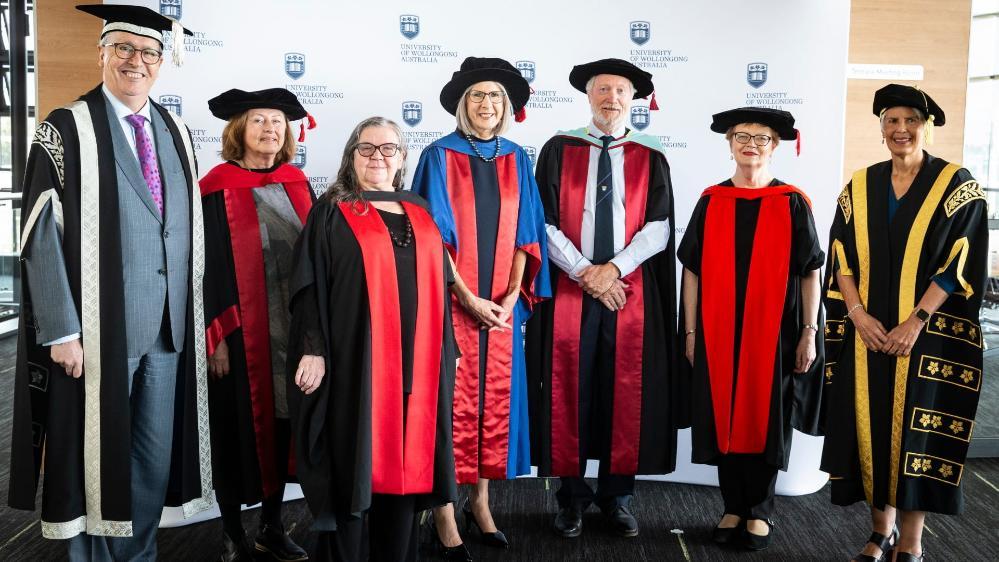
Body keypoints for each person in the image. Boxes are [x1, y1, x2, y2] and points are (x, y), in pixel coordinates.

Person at [7, 5, 212, 561]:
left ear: (161, 63)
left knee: (149, 459)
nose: (135, 61)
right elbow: (39, 235)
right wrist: (60, 329)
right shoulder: (65, 127)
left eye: (148, 52)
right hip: (98, 328)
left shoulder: (174, 129)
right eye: (122, 48)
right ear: (101, 53)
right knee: (92, 456)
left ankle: (137, 555)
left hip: (167, 327)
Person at [821, 84, 987, 562]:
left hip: (926, 337)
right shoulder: (859, 184)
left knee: (916, 433)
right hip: (867, 334)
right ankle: (880, 531)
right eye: (892, 121)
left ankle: (911, 542)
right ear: (880, 128)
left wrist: (915, 322)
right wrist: (856, 315)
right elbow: (840, 257)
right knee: (870, 426)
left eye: (911, 120)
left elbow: (960, 264)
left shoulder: (959, 185)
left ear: (927, 125)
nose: (901, 129)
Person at [287, 117, 458, 562]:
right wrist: (314, 349)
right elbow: (309, 285)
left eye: (388, 149)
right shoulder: (332, 209)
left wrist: (447, 351)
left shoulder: (419, 208)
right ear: (351, 157)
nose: (377, 157)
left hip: (418, 363)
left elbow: (440, 285)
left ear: (402, 158)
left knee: (407, 460)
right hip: (356, 361)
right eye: (366, 149)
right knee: (355, 459)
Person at [525, 58, 680, 539]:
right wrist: (584, 270)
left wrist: (612, 269)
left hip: (628, 291)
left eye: (620, 90)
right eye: (602, 90)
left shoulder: (651, 155)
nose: (611, 98)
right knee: (567, 388)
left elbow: (659, 226)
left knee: (625, 392)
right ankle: (571, 500)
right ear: (588, 96)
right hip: (570, 288)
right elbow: (540, 220)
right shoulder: (558, 149)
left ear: (632, 98)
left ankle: (617, 499)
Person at [411, 56, 550, 559]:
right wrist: (467, 298)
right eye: (477, 96)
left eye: (495, 96)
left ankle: (482, 504)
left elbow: (526, 234)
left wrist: (512, 296)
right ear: (462, 104)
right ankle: (445, 513)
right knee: (453, 406)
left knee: (495, 405)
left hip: (502, 308)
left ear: (507, 105)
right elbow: (431, 240)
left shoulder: (518, 157)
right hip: (452, 306)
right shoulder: (438, 156)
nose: (487, 104)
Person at [677, 107, 825, 551]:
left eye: (761, 138)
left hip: (774, 335)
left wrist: (807, 332)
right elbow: (692, 272)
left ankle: (760, 510)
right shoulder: (712, 200)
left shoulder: (791, 201)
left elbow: (809, 273)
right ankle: (732, 506)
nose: (751, 145)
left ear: (775, 146)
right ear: (729, 143)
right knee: (723, 414)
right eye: (742, 136)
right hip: (717, 331)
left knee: (766, 417)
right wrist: (689, 332)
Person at [200, 88, 317, 562]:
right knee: (234, 429)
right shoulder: (215, 186)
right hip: (240, 333)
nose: (270, 130)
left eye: (277, 122)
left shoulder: (297, 181)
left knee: (285, 427)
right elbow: (203, 268)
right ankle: (232, 532)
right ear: (238, 131)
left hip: (290, 331)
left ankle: (271, 525)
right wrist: (217, 338)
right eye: (258, 121)